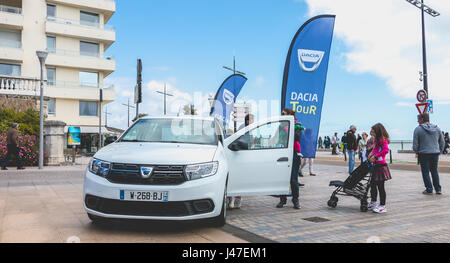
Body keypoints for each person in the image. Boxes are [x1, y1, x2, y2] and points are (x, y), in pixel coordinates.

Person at [413, 113, 445, 195]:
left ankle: (429, 189)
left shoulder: (418, 129)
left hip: (423, 153)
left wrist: (416, 151)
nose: (417, 121)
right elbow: (442, 142)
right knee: (434, 171)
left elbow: (415, 143)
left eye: (418, 120)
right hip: (435, 153)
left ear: (422, 119)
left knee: (425, 172)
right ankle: (438, 189)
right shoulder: (437, 128)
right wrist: (439, 150)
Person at [228, 113, 255, 209]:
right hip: (239, 154)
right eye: (252, 119)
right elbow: (238, 140)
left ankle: (237, 199)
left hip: (246, 155)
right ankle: (232, 198)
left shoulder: (253, 128)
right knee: (236, 177)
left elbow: (252, 142)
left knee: (241, 178)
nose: (253, 121)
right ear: (247, 120)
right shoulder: (242, 127)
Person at [277, 108, 301, 209]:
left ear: (290, 115)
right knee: (282, 178)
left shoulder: (297, 125)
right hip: (282, 153)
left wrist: (287, 129)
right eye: (281, 114)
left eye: (284, 114)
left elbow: (297, 138)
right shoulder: (281, 126)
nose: (282, 115)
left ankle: (295, 199)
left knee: (293, 179)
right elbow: (279, 139)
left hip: (294, 154)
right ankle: (282, 200)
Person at [367, 123, 391, 213]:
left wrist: (376, 156)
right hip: (376, 165)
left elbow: (385, 150)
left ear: (377, 131)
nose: (371, 131)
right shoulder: (376, 140)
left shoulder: (382, 139)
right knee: (372, 184)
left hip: (381, 166)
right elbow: (376, 149)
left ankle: (383, 206)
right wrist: (371, 154)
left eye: (373, 130)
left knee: (381, 186)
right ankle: (373, 202)